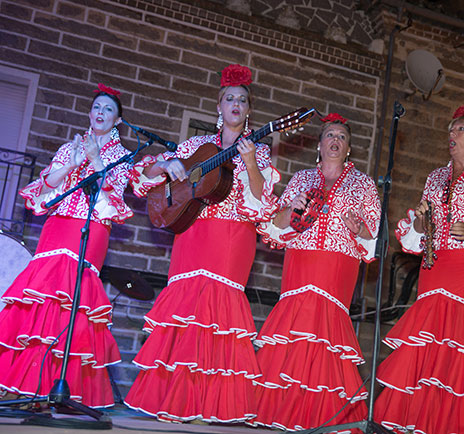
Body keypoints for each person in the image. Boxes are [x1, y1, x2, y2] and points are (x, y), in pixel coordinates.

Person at [124, 64, 279, 423]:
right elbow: (145, 179)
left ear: (249, 110)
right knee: (185, 315)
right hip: (192, 232)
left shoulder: (260, 151)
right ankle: (174, 402)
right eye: (229, 99)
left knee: (216, 318)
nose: (235, 105)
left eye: (242, 100)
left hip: (231, 239)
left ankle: (208, 405)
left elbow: (262, 201)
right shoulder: (195, 145)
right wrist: (169, 165)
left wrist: (251, 162)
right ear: (219, 108)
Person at [372, 105, 464, 434]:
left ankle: (451, 424)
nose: (452, 135)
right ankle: (421, 421)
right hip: (435, 264)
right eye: (450, 130)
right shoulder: (436, 176)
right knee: (429, 341)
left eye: (460, 130)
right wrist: (421, 222)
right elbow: (426, 226)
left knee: (459, 344)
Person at [0, 84, 133, 408]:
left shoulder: (121, 155)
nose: (100, 113)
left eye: (108, 110)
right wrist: (73, 163)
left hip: (91, 229)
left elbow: (113, 193)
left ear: (117, 121)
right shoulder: (69, 146)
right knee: (42, 301)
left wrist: (94, 158)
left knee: (72, 303)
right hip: (57, 227)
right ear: (90, 113)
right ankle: (22, 383)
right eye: (97, 108)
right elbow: (46, 185)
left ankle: (57, 389)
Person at [251, 113, 381, 431]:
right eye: (329, 135)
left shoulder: (363, 184)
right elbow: (274, 227)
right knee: (293, 330)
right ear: (320, 145)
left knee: (326, 334)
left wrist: (358, 227)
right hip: (301, 260)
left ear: (348, 148)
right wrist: (289, 207)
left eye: (341, 137)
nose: (335, 141)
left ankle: (320, 417)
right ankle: (278, 413)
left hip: (338, 263)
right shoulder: (301, 179)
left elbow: (374, 236)